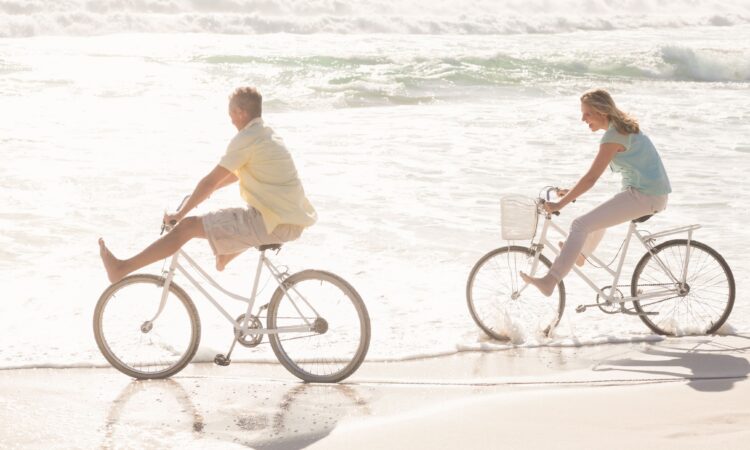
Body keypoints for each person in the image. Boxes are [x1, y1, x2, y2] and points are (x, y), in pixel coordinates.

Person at [99, 87, 317, 284]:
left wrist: (181, 213)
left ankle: (121, 268)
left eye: (231, 113)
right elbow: (235, 174)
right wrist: (210, 191)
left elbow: (210, 181)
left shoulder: (246, 139)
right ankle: (225, 255)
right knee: (230, 218)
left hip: (271, 223)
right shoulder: (267, 135)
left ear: (241, 113)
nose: (230, 119)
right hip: (289, 221)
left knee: (188, 227)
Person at [521, 89, 671, 296]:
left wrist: (559, 204)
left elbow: (591, 178)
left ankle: (550, 280)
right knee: (595, 219)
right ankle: (580, 254)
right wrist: (569, 192)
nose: (583, 119)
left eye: (587, 113)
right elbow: (592, 177)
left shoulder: (614, 136)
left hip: (645, 196)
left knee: (580, 224)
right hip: (646, 194)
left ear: (602, 111)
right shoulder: (621, 129)